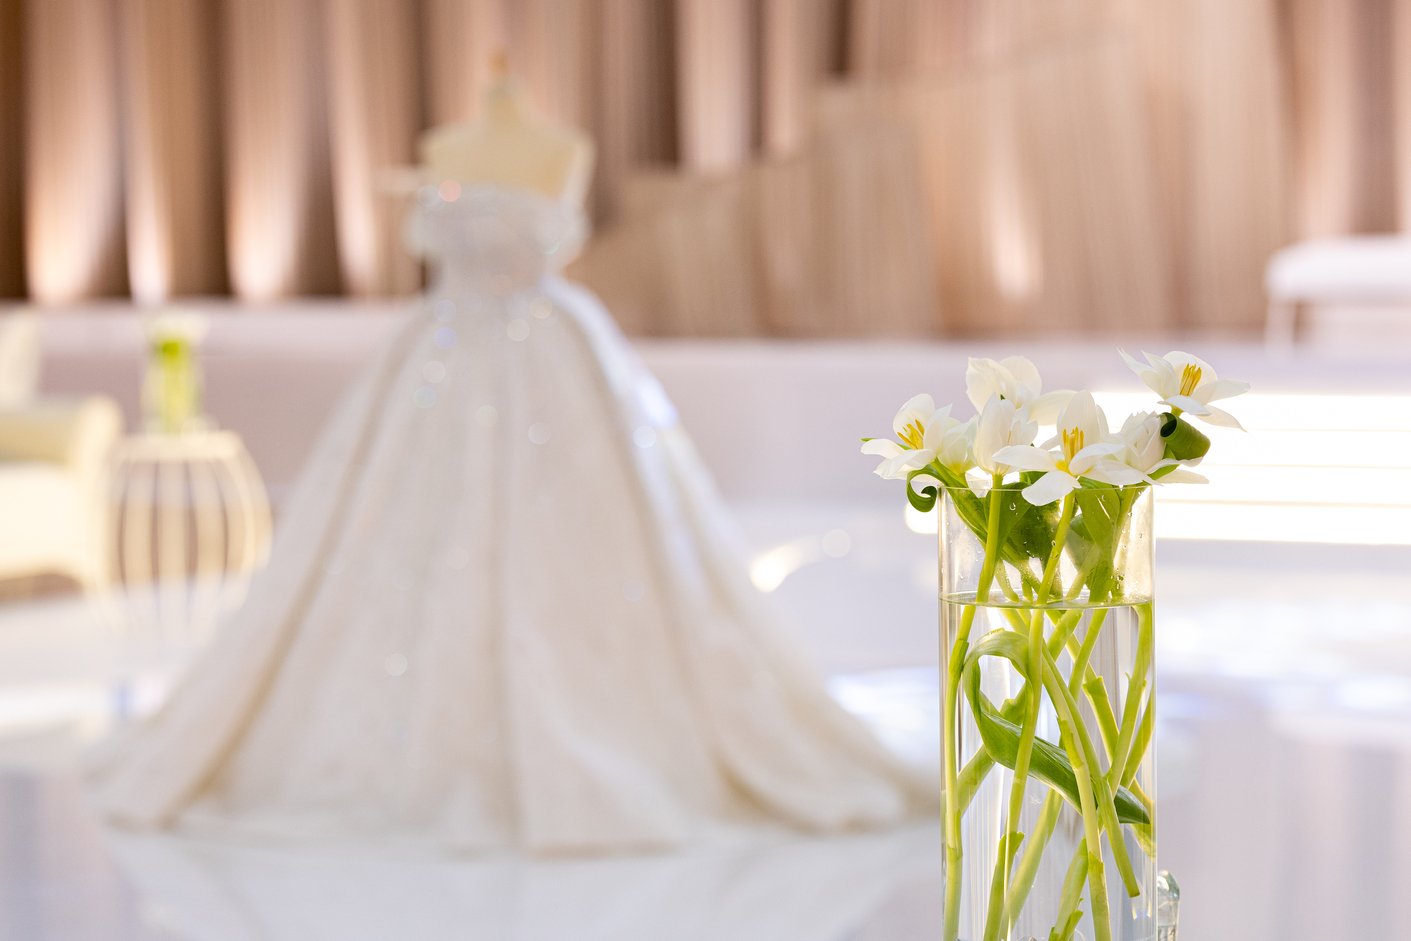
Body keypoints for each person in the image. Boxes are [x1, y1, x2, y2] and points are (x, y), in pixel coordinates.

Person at [90, 64, 932, 855]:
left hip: (552, 363)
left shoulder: (561, 150)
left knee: (586, 550)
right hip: (439, 362)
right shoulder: (442, 148)